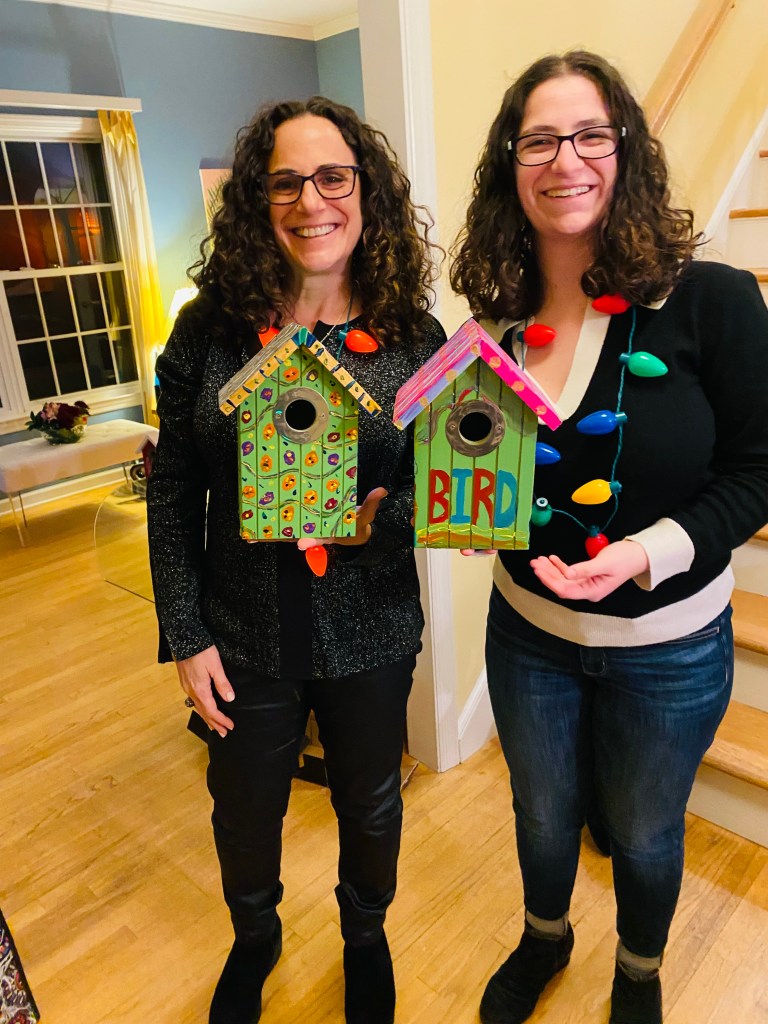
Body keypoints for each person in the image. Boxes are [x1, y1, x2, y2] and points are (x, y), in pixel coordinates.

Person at [451, 50, 768, 1024]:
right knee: (543, 817)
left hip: (668, 646)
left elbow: (758, 471)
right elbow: (480, 466)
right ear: (511, 164)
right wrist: (467, 514)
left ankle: (638, 969)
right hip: (528, 634)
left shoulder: (712, 301)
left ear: (626, 150)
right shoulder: (498, 324)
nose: (566, 159)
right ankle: (545, 935)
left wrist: (646, 553)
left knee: (643, 832)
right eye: (539, 140)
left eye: (591, 134)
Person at [147, 96, 444, 1024]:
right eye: (285, 183)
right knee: (243, 811)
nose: (311, 201)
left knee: (371, 802)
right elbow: (173, 486)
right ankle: (255, 938)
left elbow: (438, 483)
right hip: (240, 635)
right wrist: (185, 632)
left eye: (333, 177)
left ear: (366, 191)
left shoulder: (414, 335)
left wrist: (377, 523)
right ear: (257, 201)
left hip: (373, 630)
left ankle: (366, 939)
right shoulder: (210, 330)